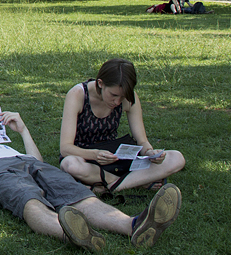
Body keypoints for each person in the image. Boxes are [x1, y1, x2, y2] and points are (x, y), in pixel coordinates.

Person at [0, 108, 182, 251]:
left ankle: (134, 225)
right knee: (28, 199)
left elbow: (37, 160)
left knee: (78, 194)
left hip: (28, 163)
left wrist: (23, 130)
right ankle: (71, 232)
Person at [59, 58, 186, 195]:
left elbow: (141, 140)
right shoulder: (78, 95)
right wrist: (95, 154)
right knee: (70, 164)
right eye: (113, 95)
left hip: (115, 157)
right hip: (86, 157)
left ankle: (108, 186)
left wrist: (150, 152)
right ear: (100, 83)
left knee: (176, 158)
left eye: (122, 97)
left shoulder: (129, 98)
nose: (117, 101)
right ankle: (133, 182)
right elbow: (65, 148)